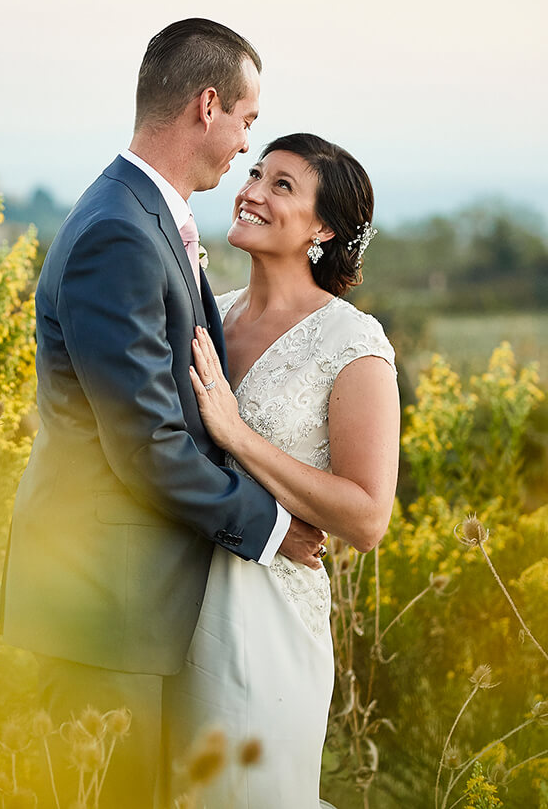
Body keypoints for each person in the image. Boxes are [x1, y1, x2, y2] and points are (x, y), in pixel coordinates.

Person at [0, 18, 325, 807]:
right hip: (102, 609)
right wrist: (277, 526)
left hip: (133, 605)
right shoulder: (119, 231)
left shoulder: (141, 215)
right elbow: (147, 445)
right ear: (206, 106)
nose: (249, 142)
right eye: (248, 119)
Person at [170, 132, 398, 806]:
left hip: (269, 622)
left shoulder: (352, 343)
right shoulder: (214, 310)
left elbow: (367, 516)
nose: (252, 192)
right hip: (176, 606)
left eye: (282, 186)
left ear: (322, 228)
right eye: (255, 173)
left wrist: (238, 435)